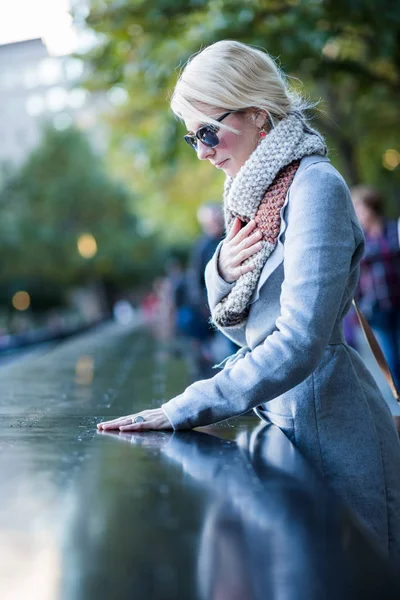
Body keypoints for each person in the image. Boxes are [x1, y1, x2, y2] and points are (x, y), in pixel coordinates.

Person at [98, 40, 400, 560]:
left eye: (209, 132)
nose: (201, 151)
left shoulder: (315, 188)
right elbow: (246, 329)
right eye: (192, 137)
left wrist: (185, 406)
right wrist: (220, 268)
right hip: (287, 420)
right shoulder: (256, 197)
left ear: (258, 111)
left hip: (334, 432)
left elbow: (300, 339)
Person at [350, 185, 400, 389]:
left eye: (360, 208)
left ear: (371, 208)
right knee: (391, 359)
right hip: (376, 307)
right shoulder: (359, 239)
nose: (358, 214)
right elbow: (355, 276)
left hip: (397, 300)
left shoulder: (393, 230)